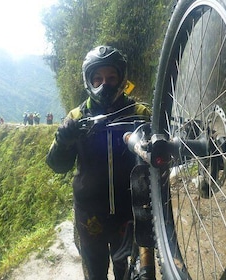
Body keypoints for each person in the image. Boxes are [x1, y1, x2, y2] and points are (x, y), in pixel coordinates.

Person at [46, 45, 151, 280]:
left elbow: (160, 154)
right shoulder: (76, 117)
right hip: (90, 216)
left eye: (111, 78)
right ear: (89, 81)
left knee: (129, 274)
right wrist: (63, 139)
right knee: (95, 274)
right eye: (98, 79)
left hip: (130, 213)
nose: (105, 84)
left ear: (122, 80)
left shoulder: (140, 113)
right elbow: (57, 165)